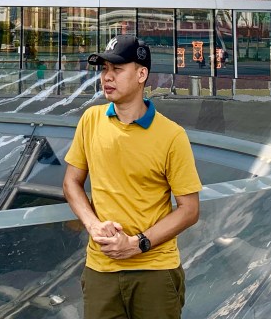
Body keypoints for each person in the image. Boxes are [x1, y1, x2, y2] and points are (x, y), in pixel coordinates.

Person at [63, 35, 202, 319]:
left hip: (155, 271)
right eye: (104, 69)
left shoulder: (172, 135)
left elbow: (189, 210)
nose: (107, 77)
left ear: (141, 75)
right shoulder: (90, 120)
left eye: (117, 69)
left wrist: (137, 244)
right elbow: (71, 183)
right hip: (101, 268)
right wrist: (92, 225)